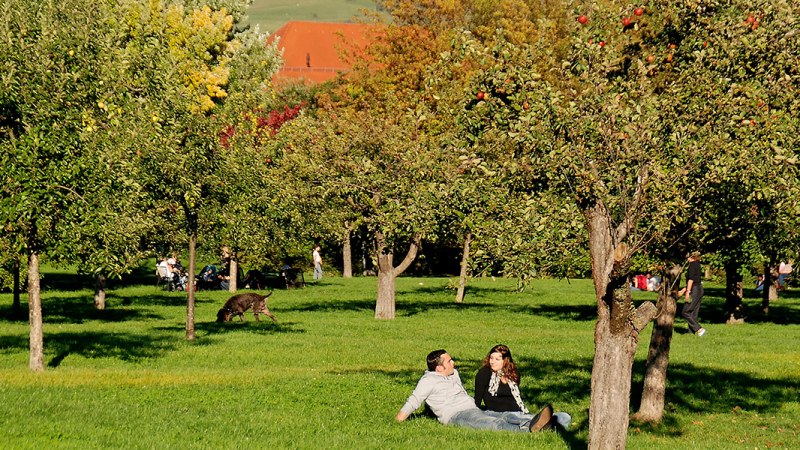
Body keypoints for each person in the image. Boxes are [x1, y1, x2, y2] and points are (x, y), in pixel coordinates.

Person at [396, 349, 555, 433]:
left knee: (503, 415)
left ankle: (545, 422)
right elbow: (414, 400)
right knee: (493, 424)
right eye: (450, 361)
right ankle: (531, 430)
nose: (454, 362)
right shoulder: (428, 381)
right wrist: (397, 421)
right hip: (457, 415)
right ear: (439, 368)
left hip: (473, 407)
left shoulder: (453, 373)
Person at [474, 344, 571, 428]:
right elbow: (478, 398)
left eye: (497, 359)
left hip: (519, 412)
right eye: (491, 358)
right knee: (524, 421)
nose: (492, 362)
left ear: (505, 361)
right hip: (499, 413)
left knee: (565, 416)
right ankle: (545, 426)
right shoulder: (485, 373)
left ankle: (548, 424)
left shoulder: (513, 373)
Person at [678, 251, 706, 336]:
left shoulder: (692, 265)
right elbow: (695, 279)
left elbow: (691, 280)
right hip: (699, 289)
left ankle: (699, 329)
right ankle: (691, 333)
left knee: (685, 311)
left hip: (694, 290)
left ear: (690, 257)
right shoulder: (697, 264)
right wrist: (684, 289)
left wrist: (687, 292)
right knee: (693, 312)